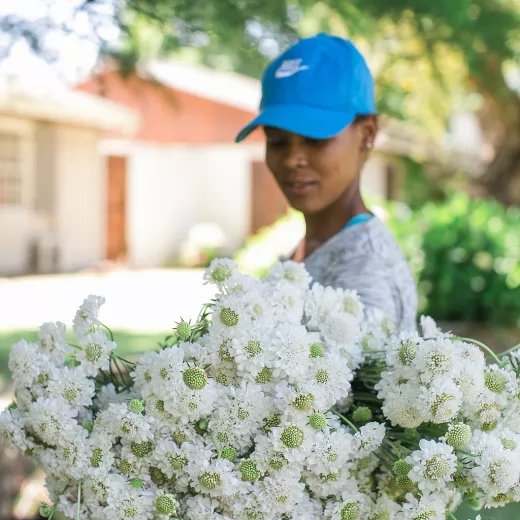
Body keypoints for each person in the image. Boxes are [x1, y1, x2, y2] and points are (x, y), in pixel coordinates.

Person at [235, 33, 417, 332]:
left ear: (368, 133)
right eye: (277, 141)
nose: (293, 159)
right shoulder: (313, 247)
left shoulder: (364, 273)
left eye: (315, 138)